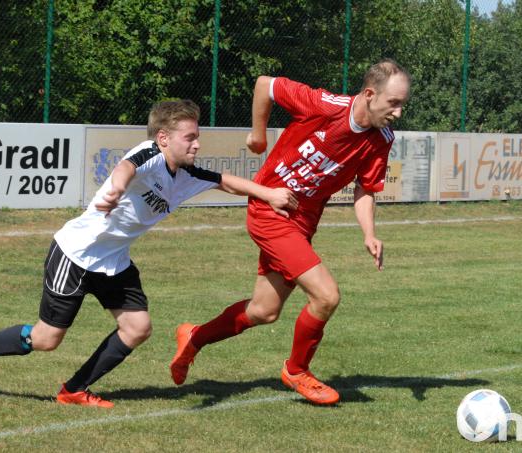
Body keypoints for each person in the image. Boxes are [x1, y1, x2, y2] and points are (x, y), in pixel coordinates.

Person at [0, 99, 298, 408]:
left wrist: (268, 194)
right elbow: (124, 169)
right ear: (164, 139)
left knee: (137, 327)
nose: (197, 144)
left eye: (197, 136)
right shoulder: (147, 154)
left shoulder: (187, 174)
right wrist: (115, 188)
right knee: (46, 339)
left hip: (114, 262)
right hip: (76, 254)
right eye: (189, 137)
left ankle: (74, 389)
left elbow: (225, 181)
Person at [170, 59, 411, 405]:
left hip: (302, 222)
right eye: (394, 103)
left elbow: (366, 189)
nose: (398, 112)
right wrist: (258, 133)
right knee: (326, 295)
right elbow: (264, 84)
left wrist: (369, 233)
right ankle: (297, 371)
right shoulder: (326, 106)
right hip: (270, 208)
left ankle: (194, 337)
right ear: (370, 94)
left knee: (263, 311)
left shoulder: (381, 139)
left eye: (402, 104)